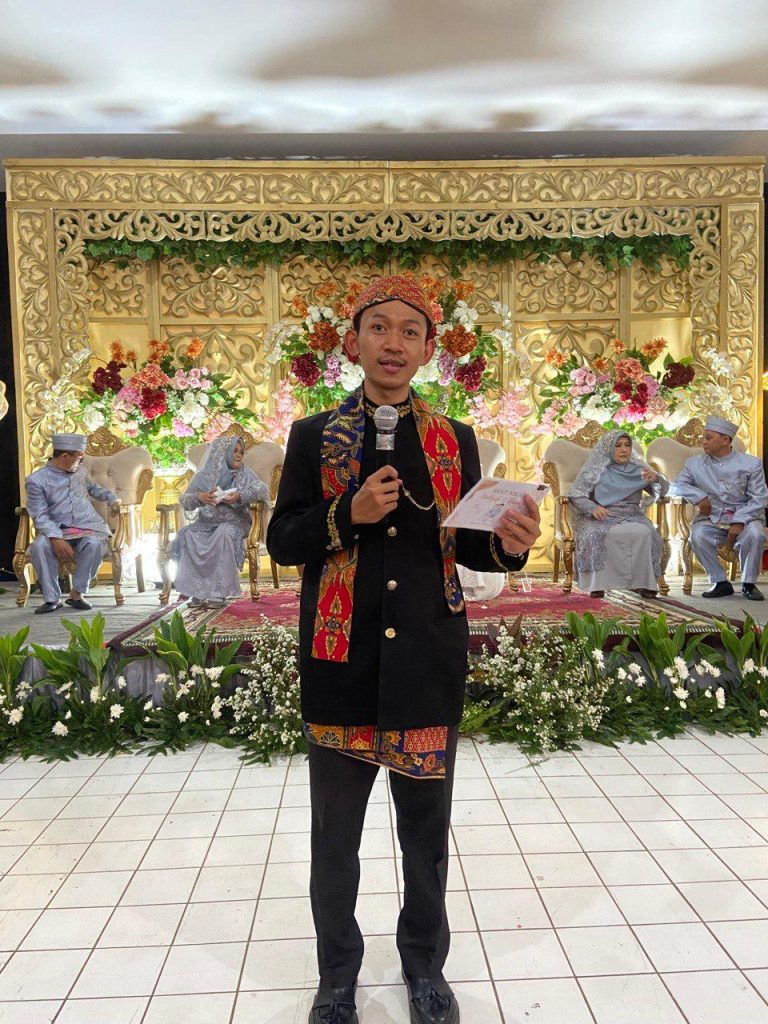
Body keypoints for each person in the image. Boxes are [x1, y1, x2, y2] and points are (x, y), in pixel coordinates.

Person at [267, 274, 541, 1024]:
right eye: (379, 327)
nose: (393, 342)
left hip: (424, 663)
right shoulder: (314, 436)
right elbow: (283, 540)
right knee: (335, 841)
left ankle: (424, 968)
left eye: (409, 331)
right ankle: (337, 978)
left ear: (428, 350)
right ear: (353, 342)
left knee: (425, 839)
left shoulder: (455, 440)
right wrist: (346, 513)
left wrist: (512, 545)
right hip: (341, 666)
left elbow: (472, 547)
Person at [672, 414, 768, 600]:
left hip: (747, 517)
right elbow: (676, 485)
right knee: (698, 535)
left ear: (725, 440)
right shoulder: (694, 464)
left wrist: (739, 521)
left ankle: (748, 583)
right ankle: (720, 582)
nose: (703, 442)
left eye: (709, 438)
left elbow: (759, 498)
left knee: (755, 534)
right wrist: (699, 497)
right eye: (704, 437)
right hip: (712, 518)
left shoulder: (751, 463)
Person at [25, 432, 120, 614]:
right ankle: (51, 599)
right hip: (55, 528)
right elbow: (40, 515)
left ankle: (77, 594)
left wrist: (112, 498)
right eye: (79, 457)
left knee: (95, 544)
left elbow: (94, 489)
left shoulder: (80, 471)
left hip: (87, 525)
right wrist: (56, 538)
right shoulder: (36, 480)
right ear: (65, 456)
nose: (81, 461)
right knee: (39, 546)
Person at [569, 430, 669, 599]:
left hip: (632, 514)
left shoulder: (639, 470)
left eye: (627, 445)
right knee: (595, 533)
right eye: (618, 445)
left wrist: (657, 478)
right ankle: (597, 585)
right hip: (602, 515)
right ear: (608, 448)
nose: (624, 450)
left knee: (645, 533)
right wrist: (592, 508)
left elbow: (661, 492)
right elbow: (576, 495)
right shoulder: (595, 470)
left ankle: (644, 584)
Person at [174, 435, 268, 606]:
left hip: (235, 522)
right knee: (188, 534)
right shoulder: (204, 476)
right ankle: (198, 590)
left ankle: (219, 592)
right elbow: (185, 500)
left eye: (241, 452)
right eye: (234, 451)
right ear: (222, 453)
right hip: (207, 523)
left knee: (224, 533)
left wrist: (240, 495)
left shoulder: (244, 473)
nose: (238, 455)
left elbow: (261, 490)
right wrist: (200, 497)